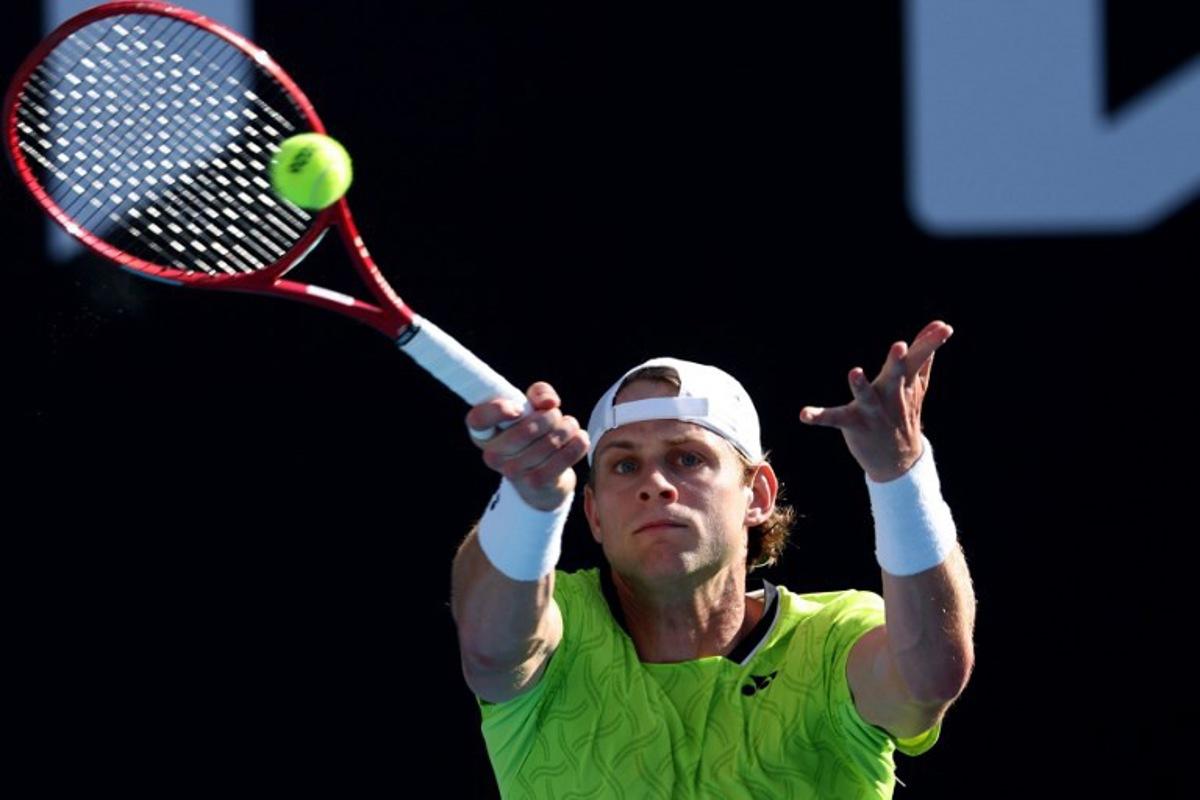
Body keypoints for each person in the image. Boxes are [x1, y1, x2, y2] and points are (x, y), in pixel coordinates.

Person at [450, 320, 976, 799]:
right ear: (592, 514)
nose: (655, 484)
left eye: (688, 458)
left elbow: (928, 678)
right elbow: (490, 650)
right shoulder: (552, 619)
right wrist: (527, 502)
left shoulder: (835, 639)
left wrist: (901, 474)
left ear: (757, 494)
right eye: (624, 465)